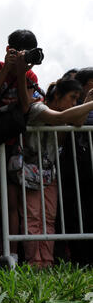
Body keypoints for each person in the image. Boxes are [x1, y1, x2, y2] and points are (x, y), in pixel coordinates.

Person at [19, 78, 93, 268]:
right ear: (58, 96)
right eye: (72, 98)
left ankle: (47, 261)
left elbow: (76, 122)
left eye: (77, 99)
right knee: (34, 217)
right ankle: (34, 261)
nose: (74, 103)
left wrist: (86, 103)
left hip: (48, 173)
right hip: (30, 173)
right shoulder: (37, 109)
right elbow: (60, 119)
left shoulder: (67, 113)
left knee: (49, 218)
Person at [0, 29, 39, 265]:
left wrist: (21, 72)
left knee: (13, 202)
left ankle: (13, 254)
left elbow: (26, 108)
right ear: (9, 50)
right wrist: (7, 69)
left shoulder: (30, 76)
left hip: (16, 144)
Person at [59, 68, 93, 265]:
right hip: (75, 170)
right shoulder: (74, 104)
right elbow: (77, 122)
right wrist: (87, 102)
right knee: (77, 215)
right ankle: (80, 259)